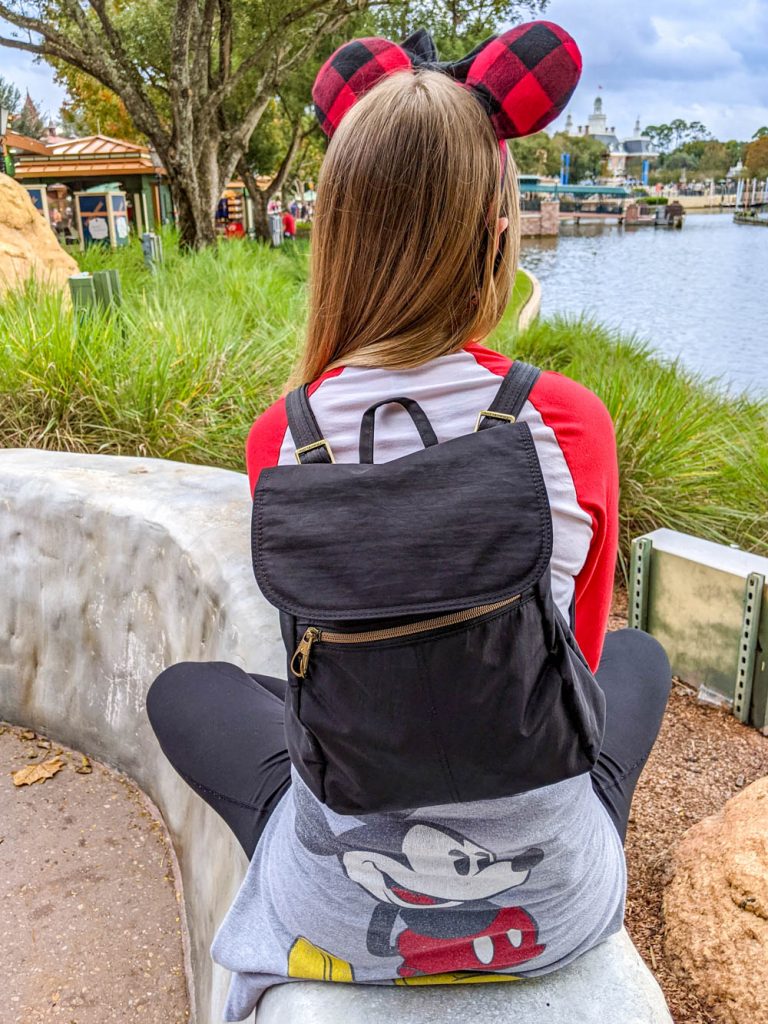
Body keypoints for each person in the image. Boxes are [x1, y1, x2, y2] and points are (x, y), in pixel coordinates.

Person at [147, 22, 671, 1022]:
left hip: (343, 913)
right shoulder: (568, 422)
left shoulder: (283, 439)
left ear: (339, 228)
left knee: (193, 692)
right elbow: (577, 665)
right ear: (492, 226)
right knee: (636, 661)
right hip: (555, 909)